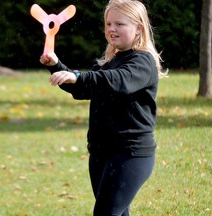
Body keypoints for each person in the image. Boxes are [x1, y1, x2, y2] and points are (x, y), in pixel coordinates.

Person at [40, 0, 167, 215]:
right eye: (108, 24)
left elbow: (117, 81)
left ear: (139, 28)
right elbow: (83, 89)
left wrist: (78, 76)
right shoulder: (112, 61)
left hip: (130, 154)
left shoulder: (142, 62)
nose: (111, 29)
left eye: (119, 24)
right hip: (101, 153)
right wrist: (56, 66)